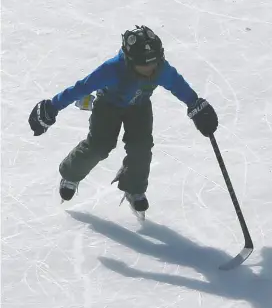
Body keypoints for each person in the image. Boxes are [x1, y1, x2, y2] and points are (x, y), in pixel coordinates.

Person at [28, 25, 219, 214]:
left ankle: (134, 188)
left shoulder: (161, 69)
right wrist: (53, 106)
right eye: (144, 64)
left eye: (154, 62)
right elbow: (81, 88)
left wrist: (195, 104)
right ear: (130, 59)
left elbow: (178, 85)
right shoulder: (112, 69)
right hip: (108, 107)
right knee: (99, 146)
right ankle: (71, 175)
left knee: (141, 148)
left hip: (140, 107)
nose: (150, 68)